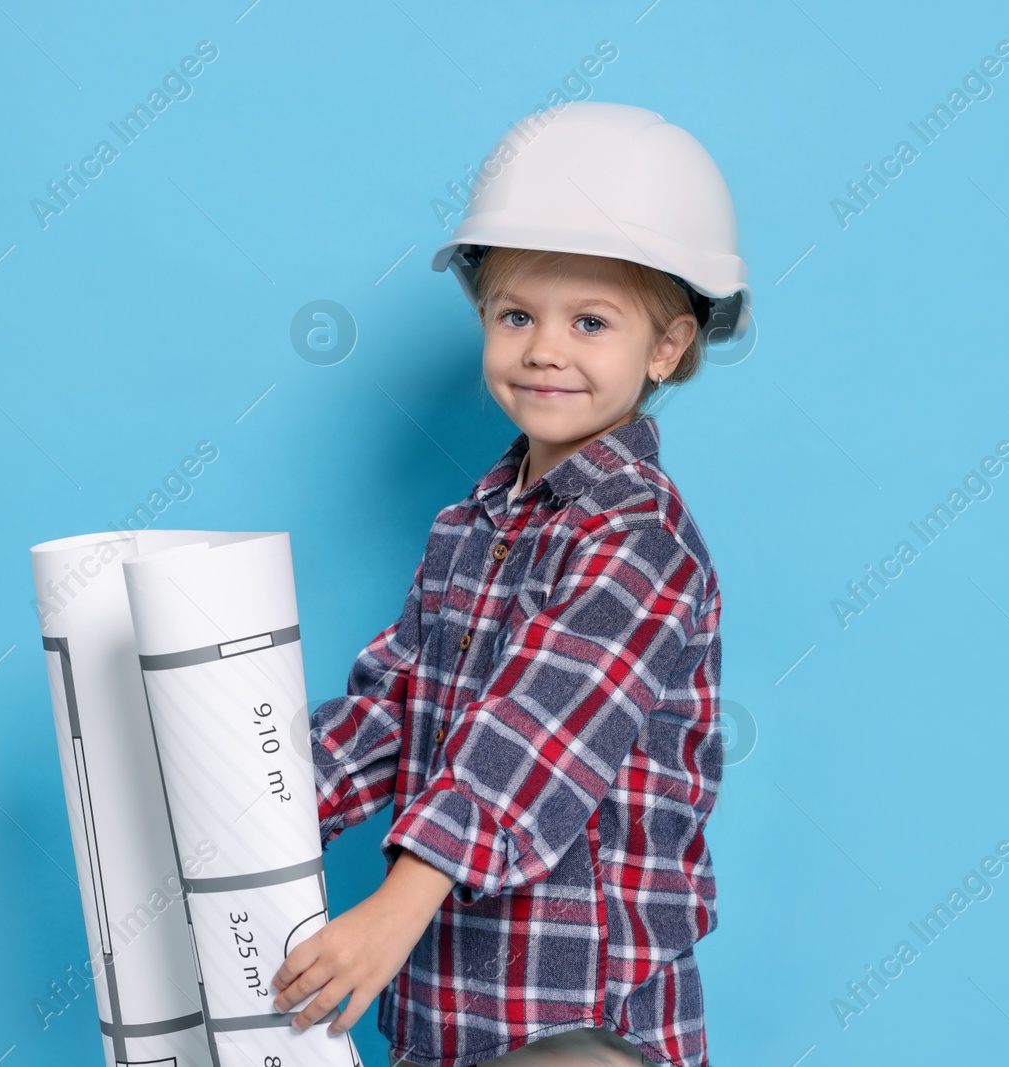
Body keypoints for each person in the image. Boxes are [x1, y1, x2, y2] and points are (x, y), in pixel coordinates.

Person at [271, 101, 750, 1067]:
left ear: (666, 348)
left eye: (592, 322)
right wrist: (262, 800)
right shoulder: (468, 526)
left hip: (584, 1020)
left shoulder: (638, 537)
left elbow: (536, 738)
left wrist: (392, 909)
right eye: (518, 314)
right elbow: (399, 708)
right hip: (452, 1009)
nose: (545, 349)